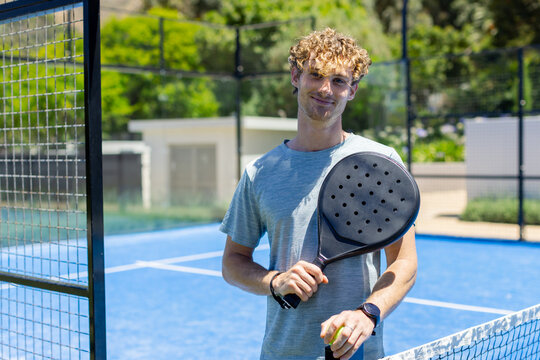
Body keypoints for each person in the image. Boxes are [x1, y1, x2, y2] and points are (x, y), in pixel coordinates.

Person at [220, 28, 417, 360]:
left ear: (352, 90)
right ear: (296, 76)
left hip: (357, 354)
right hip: (282, 352)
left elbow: (405, 262)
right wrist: (274, 281)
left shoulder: (381, 164)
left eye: (339, 81)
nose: (326, 89)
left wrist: (367, 314)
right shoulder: (260, 173)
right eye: (316, 75)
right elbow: (232, 262)